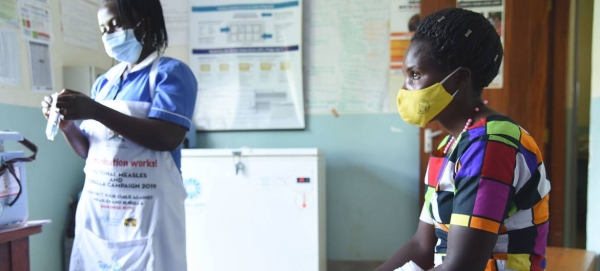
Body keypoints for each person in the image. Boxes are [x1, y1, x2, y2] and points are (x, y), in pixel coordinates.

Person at [375, 8, 550, 271]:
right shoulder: (450, 145)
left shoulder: (492, 144)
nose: (405, 89)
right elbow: (422, 246)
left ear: (459, 78)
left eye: (415, 75)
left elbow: (461, 267)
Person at [41, 0, 197, 270]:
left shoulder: (171, 74)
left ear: (144, 24)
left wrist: (94, 110)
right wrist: (67, 125)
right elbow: (90, 151)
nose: (108, 34)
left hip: (146, 213)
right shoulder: (106, 82)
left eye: (115, 25)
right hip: (100, 212)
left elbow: (167, 137)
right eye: (103, 29)